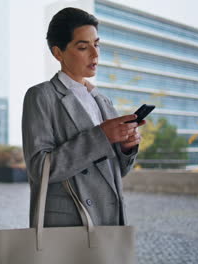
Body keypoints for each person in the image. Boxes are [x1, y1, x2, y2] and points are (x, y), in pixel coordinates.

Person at [22, 7, 146, 228]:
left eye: (96, 44)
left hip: (110, 220)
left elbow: (115, 173)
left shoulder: (103, 100)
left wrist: (126, 147)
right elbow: (39, 170)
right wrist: (101, 137)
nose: (95, 54)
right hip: (69, 225)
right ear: (58, 53)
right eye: (83, 47)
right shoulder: (41, 96)